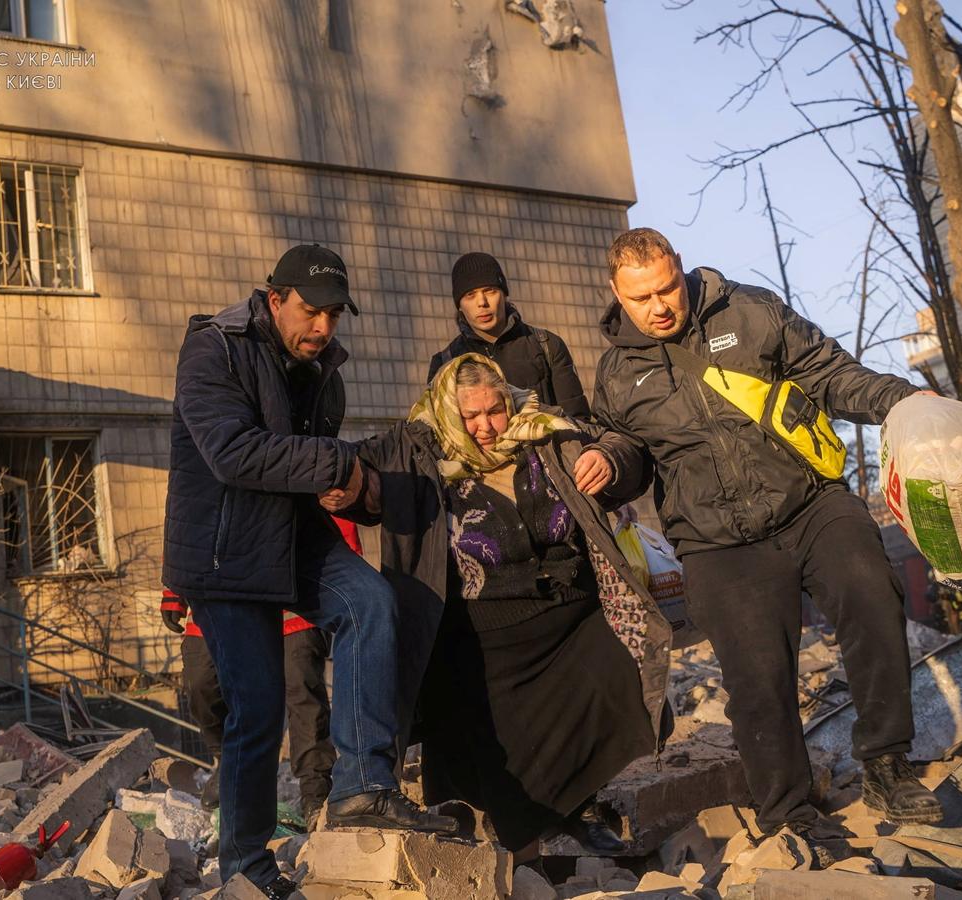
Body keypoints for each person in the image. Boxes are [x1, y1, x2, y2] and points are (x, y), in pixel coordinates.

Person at [592, 228, 942, 855]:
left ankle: (887, 763)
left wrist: (903, 398)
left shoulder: (748, 311)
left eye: (668, 287)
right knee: (757, 680)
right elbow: (630, 451)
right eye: (642, 298)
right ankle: (789, 814)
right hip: (717, 543)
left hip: (809, 502)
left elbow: (830, 373)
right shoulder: (618, 372)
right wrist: (609, 464)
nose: (660, 306)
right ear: (617, 294)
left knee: (871, 589)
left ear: (681, 270)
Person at [163, 244, 456, 898]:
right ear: (275, 299)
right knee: (260, 703)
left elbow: (320, 473)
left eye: (333, 316)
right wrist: (336, 466)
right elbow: (232, 454)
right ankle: (246, 869)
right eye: (311, 311)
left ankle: (363, 788)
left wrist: (359, 493)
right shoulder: (213, 348)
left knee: (370, 604)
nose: (322, 327)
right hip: (222, 551)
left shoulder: (324, 371)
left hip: (291, 537)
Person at [343, 354, 672, 858]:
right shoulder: (417, 446)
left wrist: (610, 460)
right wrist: (340, 484)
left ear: (508, 400)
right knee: (502, 755)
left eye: (494, 410)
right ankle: (525, 854)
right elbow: (352, 467)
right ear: (451, 413)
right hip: (484, 631)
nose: (485, 427)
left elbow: (625, 450)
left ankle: (579, 807)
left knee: (619, 672)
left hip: (568, 614)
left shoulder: (546, 430)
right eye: (470, 416)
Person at [161, 516, 363, 823]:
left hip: (294, 589)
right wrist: (174, 589)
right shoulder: (203, 466)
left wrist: (349, 578)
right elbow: (186, 513)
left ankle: (315, 792)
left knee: (302, 689)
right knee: (200, 681)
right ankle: (229, 760)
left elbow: (333, 499)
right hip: (220, 589)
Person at [427, 252, 590, 418]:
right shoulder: (446, 362)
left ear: (504, 294)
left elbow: (577, 420)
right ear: (459, 305)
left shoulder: (547, 345)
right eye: (470, 295)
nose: (482, 302)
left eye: (489, 291)